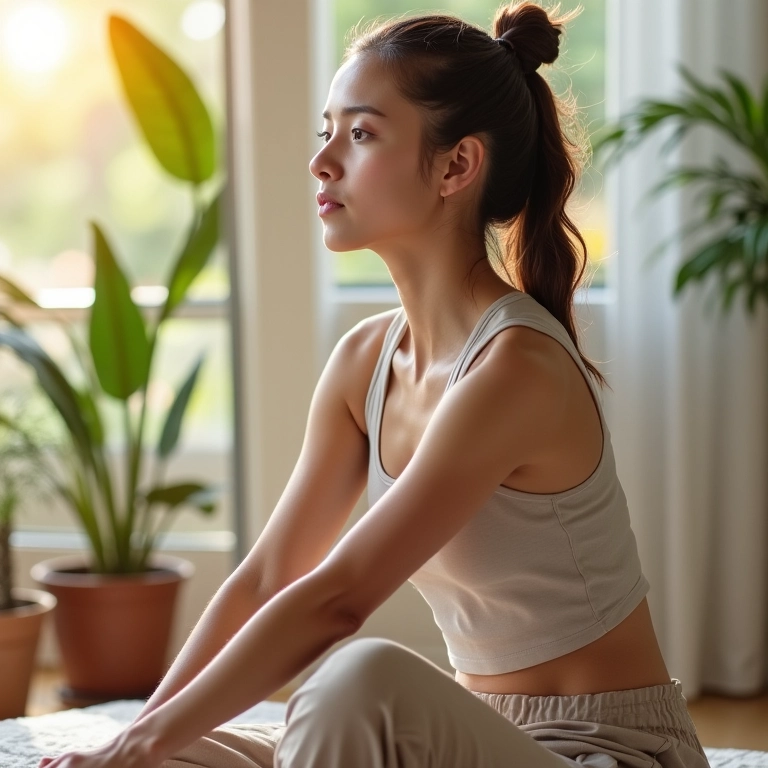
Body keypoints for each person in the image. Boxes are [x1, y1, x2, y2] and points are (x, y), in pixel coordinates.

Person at [39, 2, 713, 767]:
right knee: (184, 755)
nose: (322, 161)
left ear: (457, 166)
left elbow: (339, 598)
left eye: (360, 134)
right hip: (472, 738)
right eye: (326, 131)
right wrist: (140, 743)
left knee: (355, 681)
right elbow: (267, 577)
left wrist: (143, 740)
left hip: (608, 752)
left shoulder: (516, 367)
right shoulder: (365, 362)